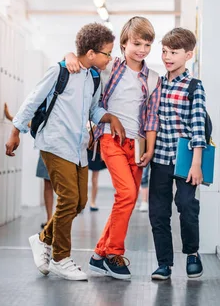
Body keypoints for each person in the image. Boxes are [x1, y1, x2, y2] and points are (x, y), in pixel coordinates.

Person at [6, 23, 115, 281]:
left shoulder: (94, 77)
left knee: (79, 202)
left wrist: (108, 118)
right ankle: (60, 258)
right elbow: (33, 99)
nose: (109, 58)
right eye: (106, 53)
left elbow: (94, 109)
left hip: (78, 147)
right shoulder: (59, 71)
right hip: (55, 143)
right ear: (90, 53)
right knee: (67, 199)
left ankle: (43, 239)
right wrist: (15, 131)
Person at [65, 16, 161, 280]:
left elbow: (152, 118)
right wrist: (69, 55)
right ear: (124, 43)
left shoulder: (153, 79)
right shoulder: (110, 69)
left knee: (126, 200)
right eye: (136, 43)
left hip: (138, 144)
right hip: (110, 138)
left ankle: (99, 255)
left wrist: (149, 149)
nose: (142, 49)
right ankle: (114, 253)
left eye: (147, 44)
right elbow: (86, 59)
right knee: (128, 193)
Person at [149, 27, 207, 280]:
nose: (167, 57)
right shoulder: (157, 84)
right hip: (160, 157)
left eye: (174, 52)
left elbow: (198, 128)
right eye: (164, 51)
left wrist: (196, 164)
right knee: (159, 212)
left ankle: (192, 254)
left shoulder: (194, 86)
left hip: (184, 159)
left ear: (188, 55)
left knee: (186, 205)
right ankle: (164, 263)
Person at [4, 103, 53, 229]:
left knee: (59, 187)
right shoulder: (44, 110)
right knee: (48, 184)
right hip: (46, 149)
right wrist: (10, 117)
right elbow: (30, 123)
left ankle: (56, 219)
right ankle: (50, 219)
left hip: (61, 149)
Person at [87, 124, 108, 212]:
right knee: (83, 178)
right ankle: (83, 202)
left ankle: (92, 202)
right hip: (86, 148)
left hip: (95, 148)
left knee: (94, 179)